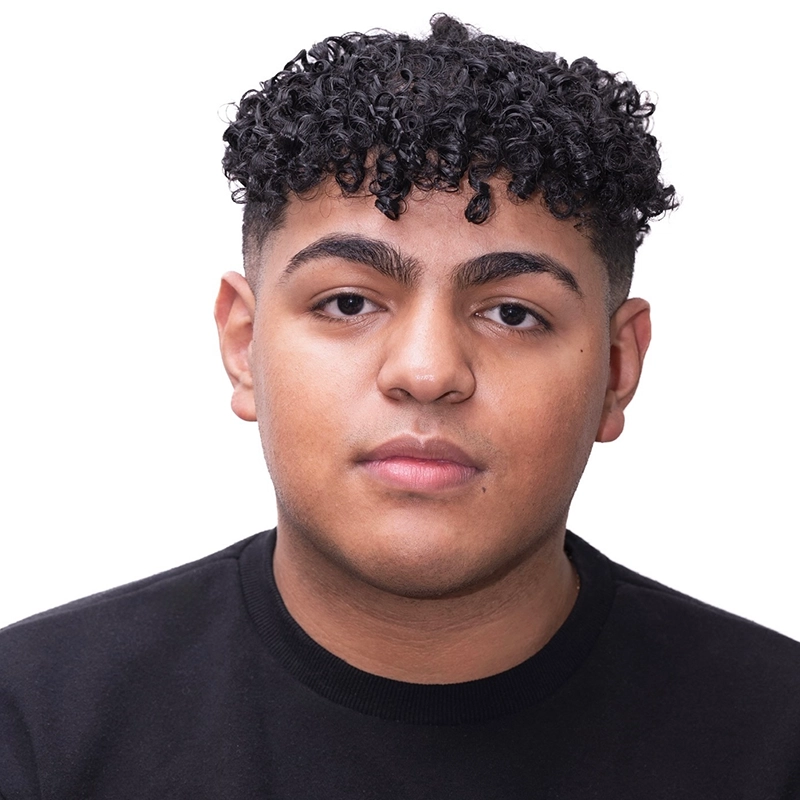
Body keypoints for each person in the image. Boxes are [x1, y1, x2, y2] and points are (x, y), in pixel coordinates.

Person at [1, 14, 798, 799]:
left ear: (618, 368)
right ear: (245, 346)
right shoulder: (32, 728)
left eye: (513, 313)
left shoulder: (776, 740)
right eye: (349, 302)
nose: (426, 371)